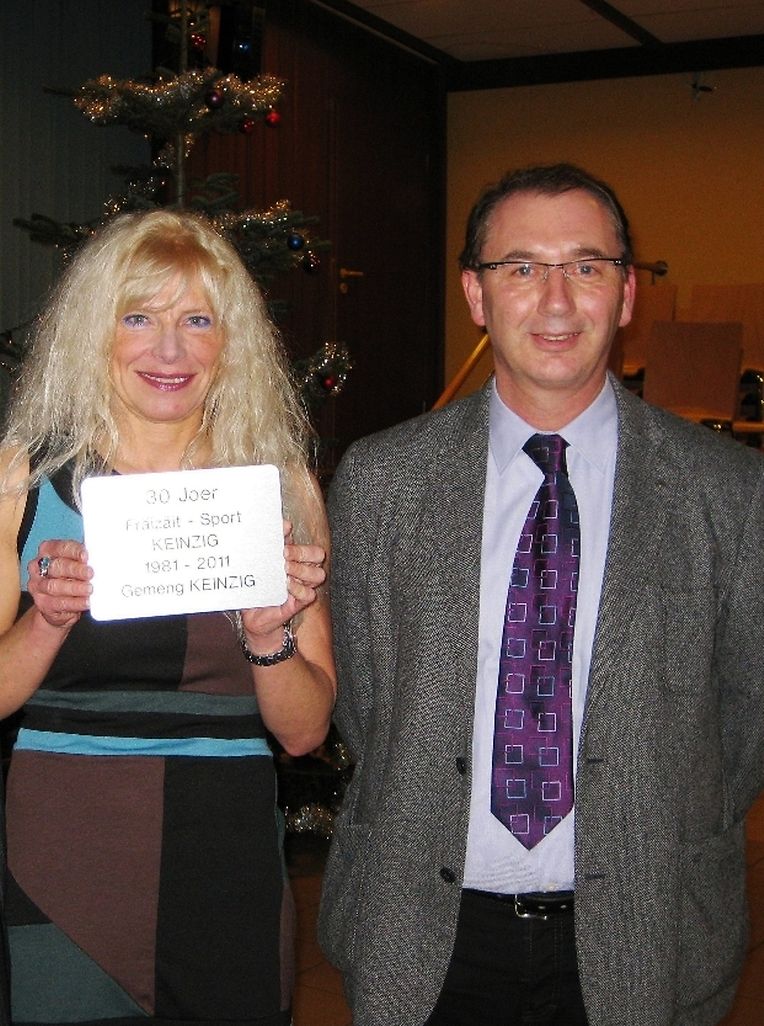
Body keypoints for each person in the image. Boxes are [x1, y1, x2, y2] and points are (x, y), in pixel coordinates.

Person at [319, 163, 764, 1026]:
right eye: (521, 267)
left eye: (586, 266)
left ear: (626, 294)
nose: (556, 300)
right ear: (476, 296)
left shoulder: (728, 491)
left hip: (649, 930)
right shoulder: (383, 480)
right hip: (423, 930)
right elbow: (368, 705)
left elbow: (745, 719)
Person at [0, 208, 336, 1026]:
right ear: (95, 331)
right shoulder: (23, 480)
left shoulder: (279, 487)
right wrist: (46, 621)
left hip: (224, 856)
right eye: (139, 318)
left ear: (232, 341)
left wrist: (268, 638)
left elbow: (304, 732)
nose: (170, 350)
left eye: (197, 321)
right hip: (62, 851)